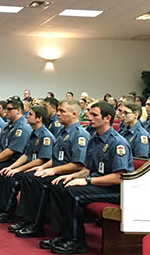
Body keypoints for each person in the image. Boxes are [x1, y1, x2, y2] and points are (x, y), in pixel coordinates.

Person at [44, 101, 134, 255]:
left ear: (107, 118)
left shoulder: (117, 142)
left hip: (116, 189)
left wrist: (87, 181)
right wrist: (71, 176)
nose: (89, 118)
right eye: (89, 114)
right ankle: (63, 234)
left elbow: (119, 177)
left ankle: (76, 241)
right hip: (98, 183)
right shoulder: (94, 139)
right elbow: (87, 169)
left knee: (74, 193)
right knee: (60, 185)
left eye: (94, 115)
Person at [10, 99, 90, 238]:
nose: (58, 114)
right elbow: (56, 159)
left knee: (38, 181)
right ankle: (28, 220)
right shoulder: (63, 132)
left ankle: (37, 225)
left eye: (62, 111)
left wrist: (53, 170)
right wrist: (42, 167)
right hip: (58, 170)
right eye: (58, 111)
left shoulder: (79, 134)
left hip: (70, 174)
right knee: (30, 175)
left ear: (74, 114)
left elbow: (78, 164)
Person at [0, 106, 55, 223]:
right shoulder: (33, 133)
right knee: (5, 173)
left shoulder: (45, 136)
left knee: (12, 177)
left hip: (36, 168)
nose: (27, 116)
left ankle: (8, 213)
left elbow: (41, 160)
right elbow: (26, 155)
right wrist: (11, 167)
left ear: (39, 118)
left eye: (30, 114)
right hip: (29, 166)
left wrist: (18, 169)